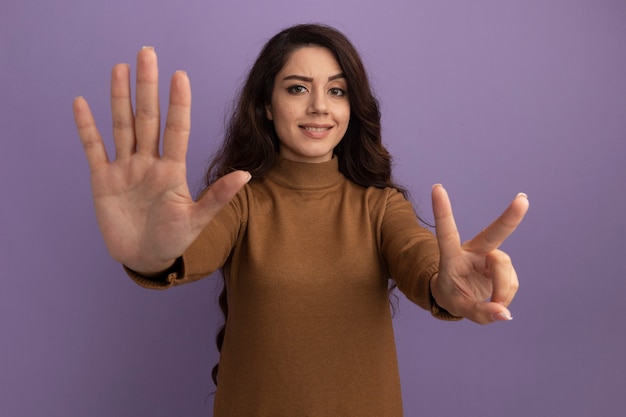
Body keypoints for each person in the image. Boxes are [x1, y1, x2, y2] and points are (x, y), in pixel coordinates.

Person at [72, 24, 528, 417]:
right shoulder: (239, 201)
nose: (319, 107)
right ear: (267, 105)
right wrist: (154, 256)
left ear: (353, 107)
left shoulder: (380, 206)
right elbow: (191, 247)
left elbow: (419, 258)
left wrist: (448, 286)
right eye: (296, 88)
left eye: (336, 90)